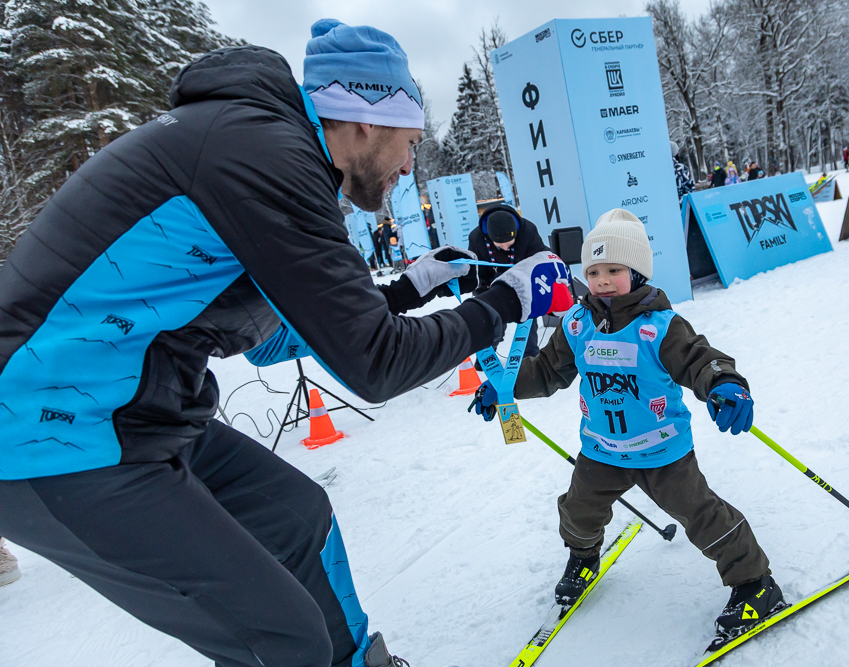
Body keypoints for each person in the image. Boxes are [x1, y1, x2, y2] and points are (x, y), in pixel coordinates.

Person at [0, 19, 570, 667]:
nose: (409, 166)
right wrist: (505, 302)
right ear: (363, 121)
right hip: (50, 438)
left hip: (137, 413)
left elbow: (276, 342)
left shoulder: (259, 148)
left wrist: (411, 289)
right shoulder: (268, 157)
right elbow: (374, 363)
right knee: (281, 640)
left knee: (299, 516)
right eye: (409, 143)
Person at [470, 208, 780, 648]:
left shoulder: (660, 327)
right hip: (601, 451)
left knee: (702, 516)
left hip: (663, 453)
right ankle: (582, 558)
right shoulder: (577, 325)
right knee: (578, 511)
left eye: (613, 270)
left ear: (636, 272)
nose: (600, 280)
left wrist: (725, 384)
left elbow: (699, 359)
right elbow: (545, 372)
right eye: (593, 271)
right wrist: (502, 388)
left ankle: (755, 584)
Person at [467, 203, 548, 358]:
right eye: (500, 244)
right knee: (490, 313)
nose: (505, 248)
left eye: (509, 243)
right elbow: (480, 272)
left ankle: (529, 355)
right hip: (495, 279)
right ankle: (487, 353)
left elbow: (540, 259)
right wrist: (483, 293)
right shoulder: (476, 238)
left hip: (525, 275)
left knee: (527, 314)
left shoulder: (528, 231)